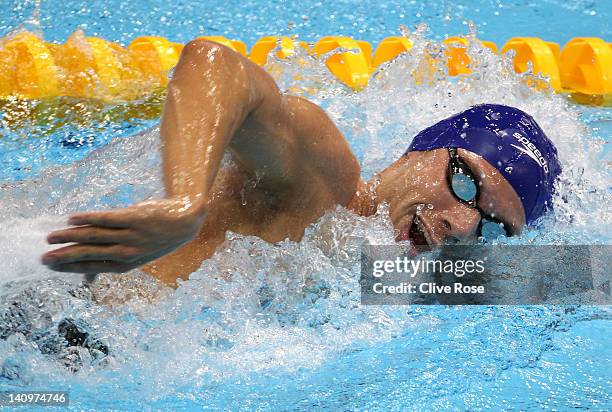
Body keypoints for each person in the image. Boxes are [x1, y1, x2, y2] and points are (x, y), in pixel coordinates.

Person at [41, 39, 562, 286]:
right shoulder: (327, 181)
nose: (465, 223)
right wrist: (185, 202)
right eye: (467, 184)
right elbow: (214, 66)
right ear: (424, 148)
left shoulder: (391, 277)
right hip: (47, 297)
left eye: (494, 227)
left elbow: (581, 279)